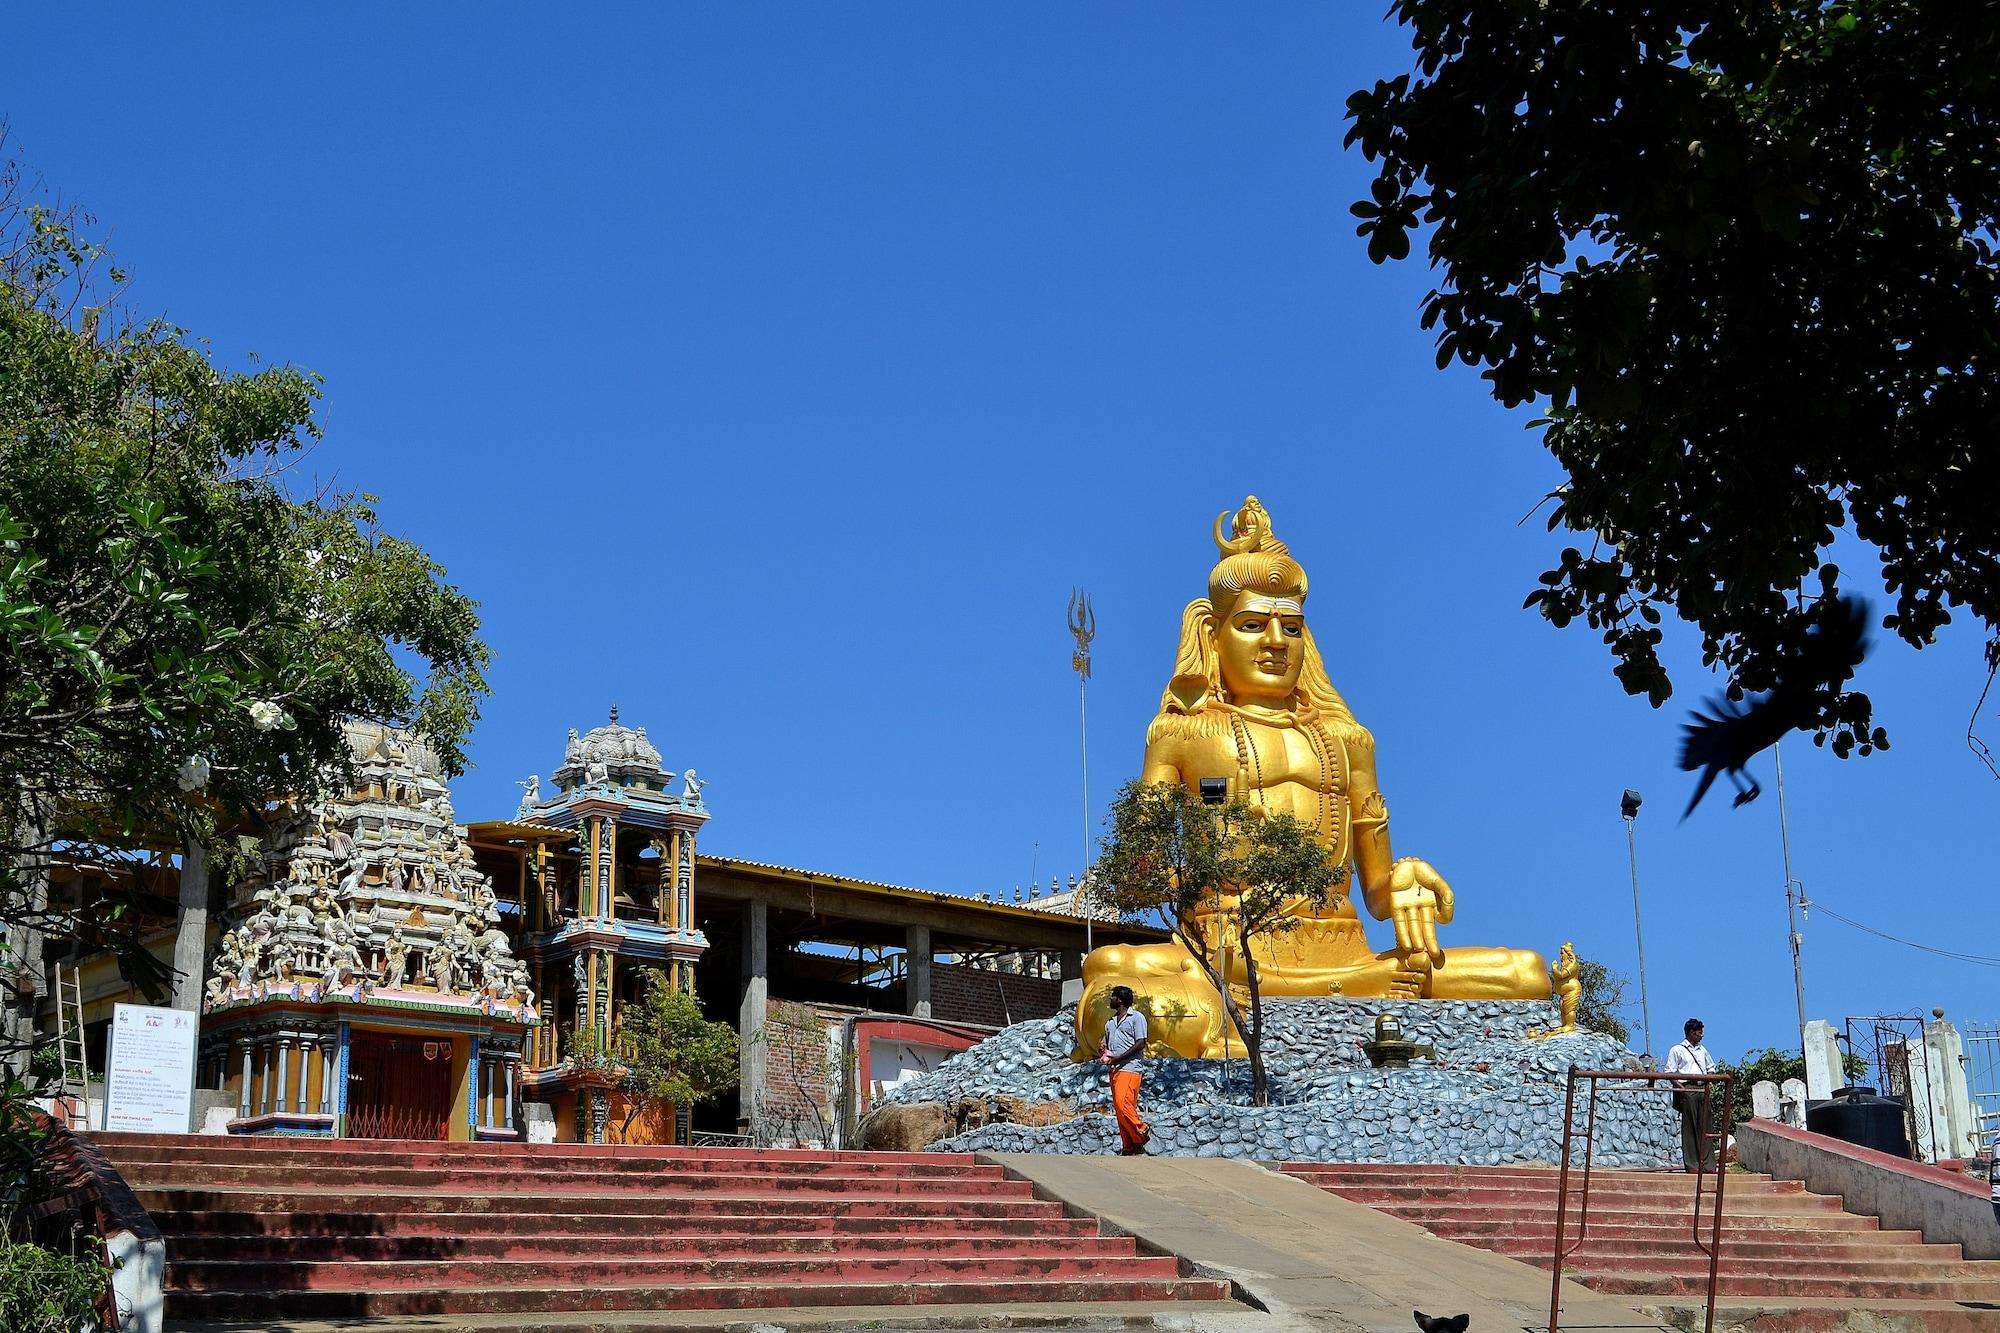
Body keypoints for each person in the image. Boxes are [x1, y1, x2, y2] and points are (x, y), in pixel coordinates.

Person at [1097, 986, 1151, 1155]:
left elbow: (1141, 1042)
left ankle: (1141, 1130)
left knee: (1123, 1104)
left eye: (1112, 997)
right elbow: (1107, 1044)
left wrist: (1119, 1059)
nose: (1110, 1000)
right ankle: (1130, 1145)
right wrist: (1103, 1048)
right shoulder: (1110, 1022)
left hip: (1130, 1068)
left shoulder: (1136, 1018)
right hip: (1114, 1069)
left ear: (1119, 1000)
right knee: (1120, 1111)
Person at [1666, 1017, 1718, 1172]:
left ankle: (1708, 1165)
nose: (1701, 1036)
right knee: (1690, 1128)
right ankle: (1693, 1165)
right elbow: (1670, 1072)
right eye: (1698, 1033)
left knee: (1706, 1126)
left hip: (1703, 1089)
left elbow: (1711, 1068)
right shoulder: (1677, 1049)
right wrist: (1682, 1088)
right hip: (1687, 1088)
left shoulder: (1703, 1050)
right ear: (1690, 1032)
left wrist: (1709, 1083)